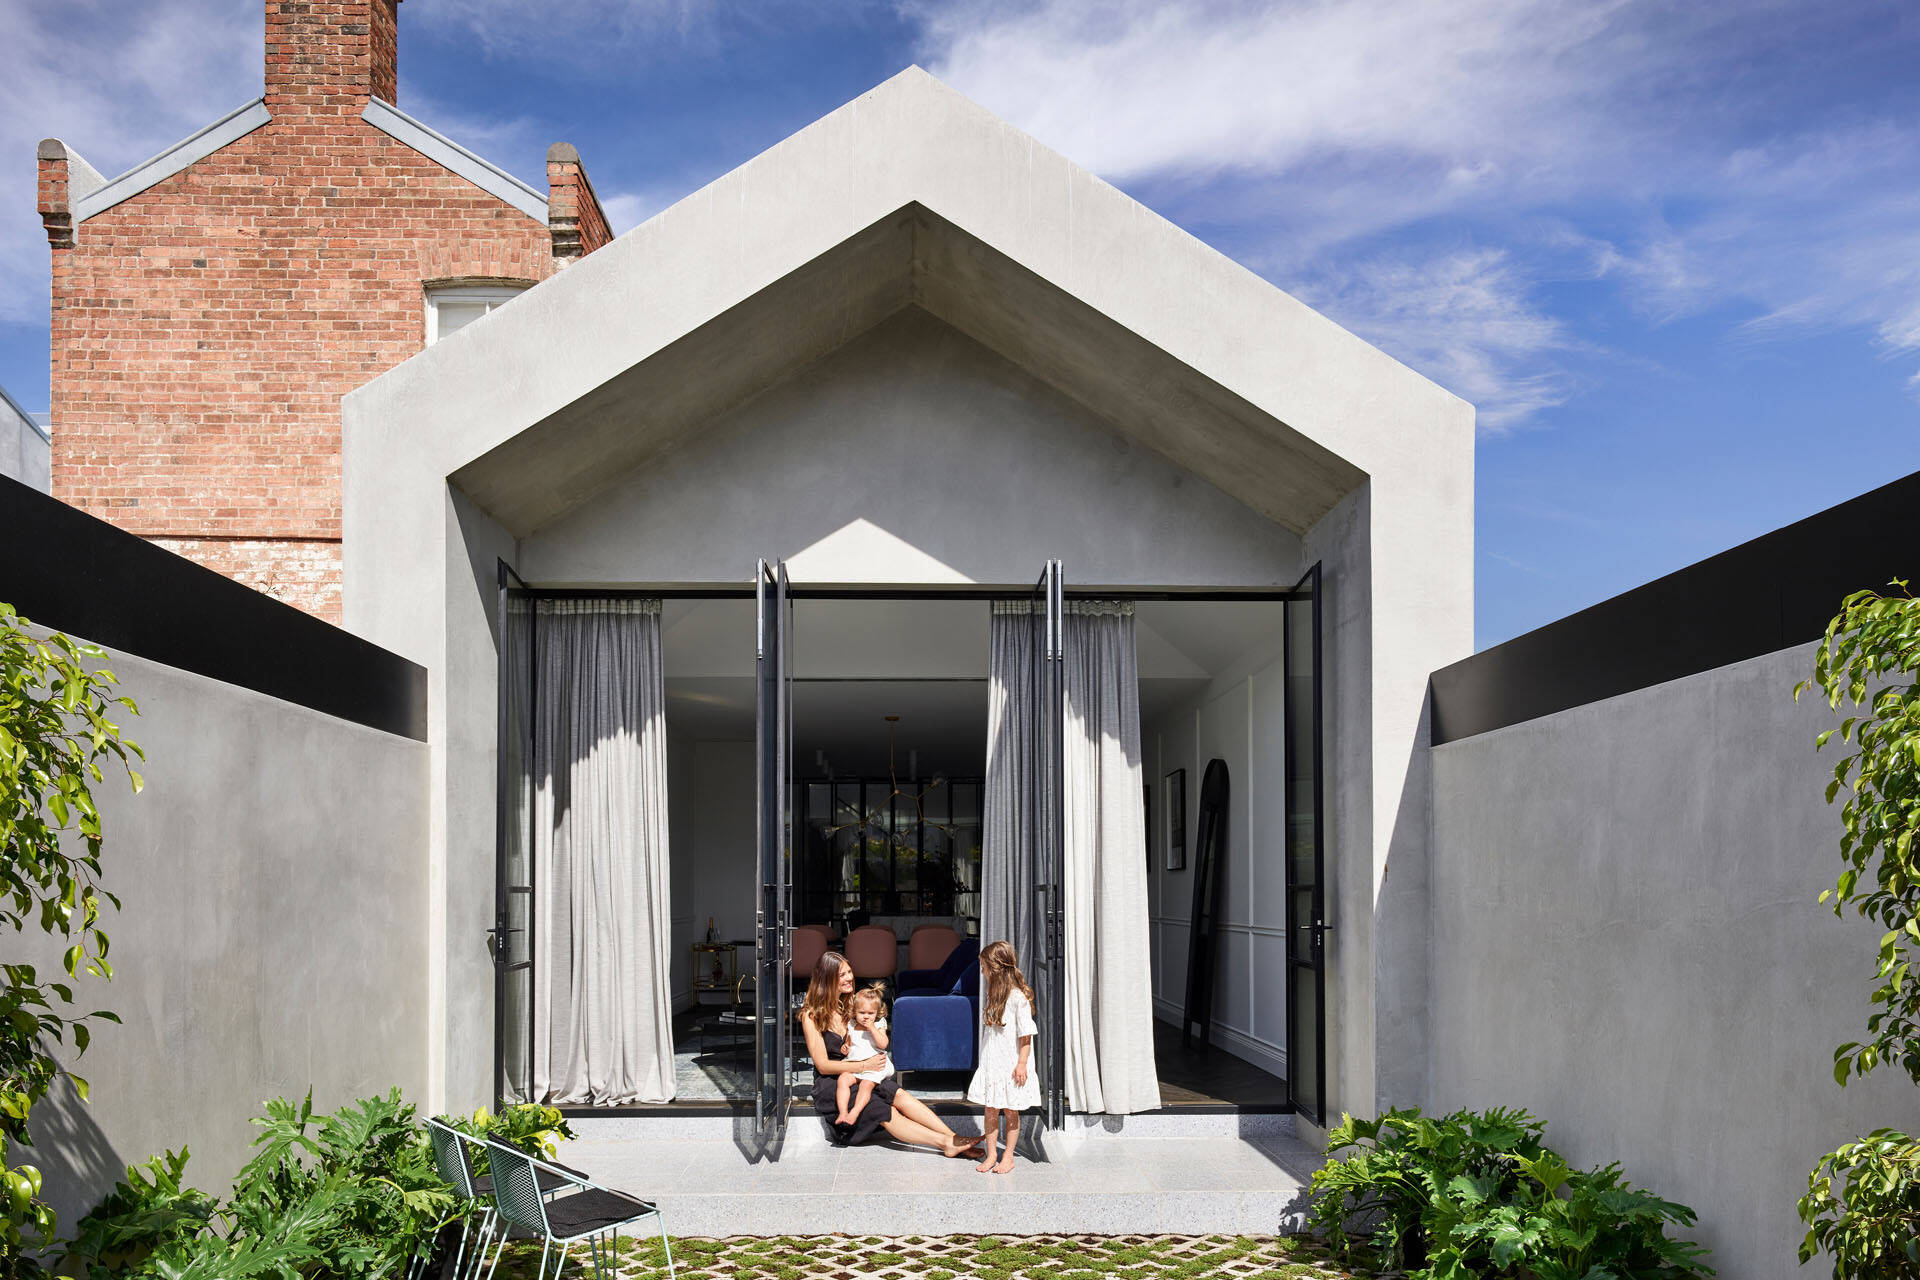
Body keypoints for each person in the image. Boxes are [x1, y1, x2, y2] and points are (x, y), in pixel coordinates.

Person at [799, 951, 984, 1155]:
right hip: (834, 1080)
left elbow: (876, 1032)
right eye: (842, 974)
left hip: (863, 1072)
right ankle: (945, 1144)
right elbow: (823, 1065)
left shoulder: (852, 1005)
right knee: (883, 1109)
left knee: (898, 1094)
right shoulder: (811, 1015)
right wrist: (864, 1065)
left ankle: (955, 1138)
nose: (850, 977)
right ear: (827, 979)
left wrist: (869, 1058)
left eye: (849, 972)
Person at [967, 939, 1039, 1174]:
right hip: (993, 1061)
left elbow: (1026, 1035)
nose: (982, 971)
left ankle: (1008, 1155)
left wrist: (1022, 1063)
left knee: (1010, 1111)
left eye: (984, 967)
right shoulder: (992, 994)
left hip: (1010, 1063)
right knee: (990, 1109)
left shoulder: (1018, 998)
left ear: (996, 968)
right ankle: (991, 1154)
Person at [834, 985, 893, 1126]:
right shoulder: (852, 1024)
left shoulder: (878, 1025)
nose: (866, 1016)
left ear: (877, 1013)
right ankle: (843, 1112)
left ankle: (855, 1112)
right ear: (854, 1011)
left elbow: (883, 1044)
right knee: (842, 1080)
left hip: (875, 1067)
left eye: (870, 1013)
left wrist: (871, 1028)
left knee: (866, 1085)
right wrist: (845, 1048)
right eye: (862, 1012)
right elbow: (849, 1043)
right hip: (855, 1064)